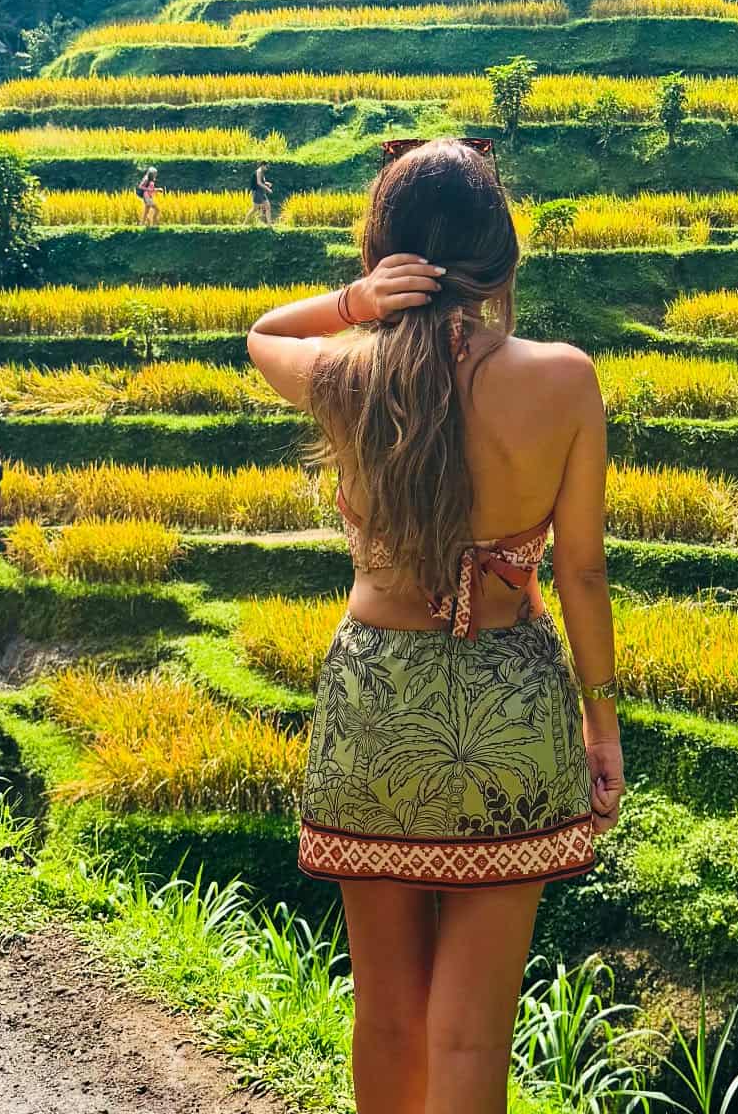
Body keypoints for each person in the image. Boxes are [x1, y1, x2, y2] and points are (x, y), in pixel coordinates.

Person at [247, 139, 622, 1114]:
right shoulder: (565, 380)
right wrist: (602, 726)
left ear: (388, 254)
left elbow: (261, 334)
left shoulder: (348, 376)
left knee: (387, 1020)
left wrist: (357, 303)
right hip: (511, 708)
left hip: (375, 705)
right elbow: (580, 572)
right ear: (500, 257)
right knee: (472, 1037)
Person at [250, 162, 274, 226]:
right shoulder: (259, 172)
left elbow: (262, 182)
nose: (267, 168)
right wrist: (267, 188)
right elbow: (259, 183)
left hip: (261, 192)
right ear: (263, 165)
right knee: (254, 209)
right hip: (257, 192)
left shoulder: (262, 172)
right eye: (267, 167)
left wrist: (267, 183)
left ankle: (269, 225)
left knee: (268, 207)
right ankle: (244, 223)